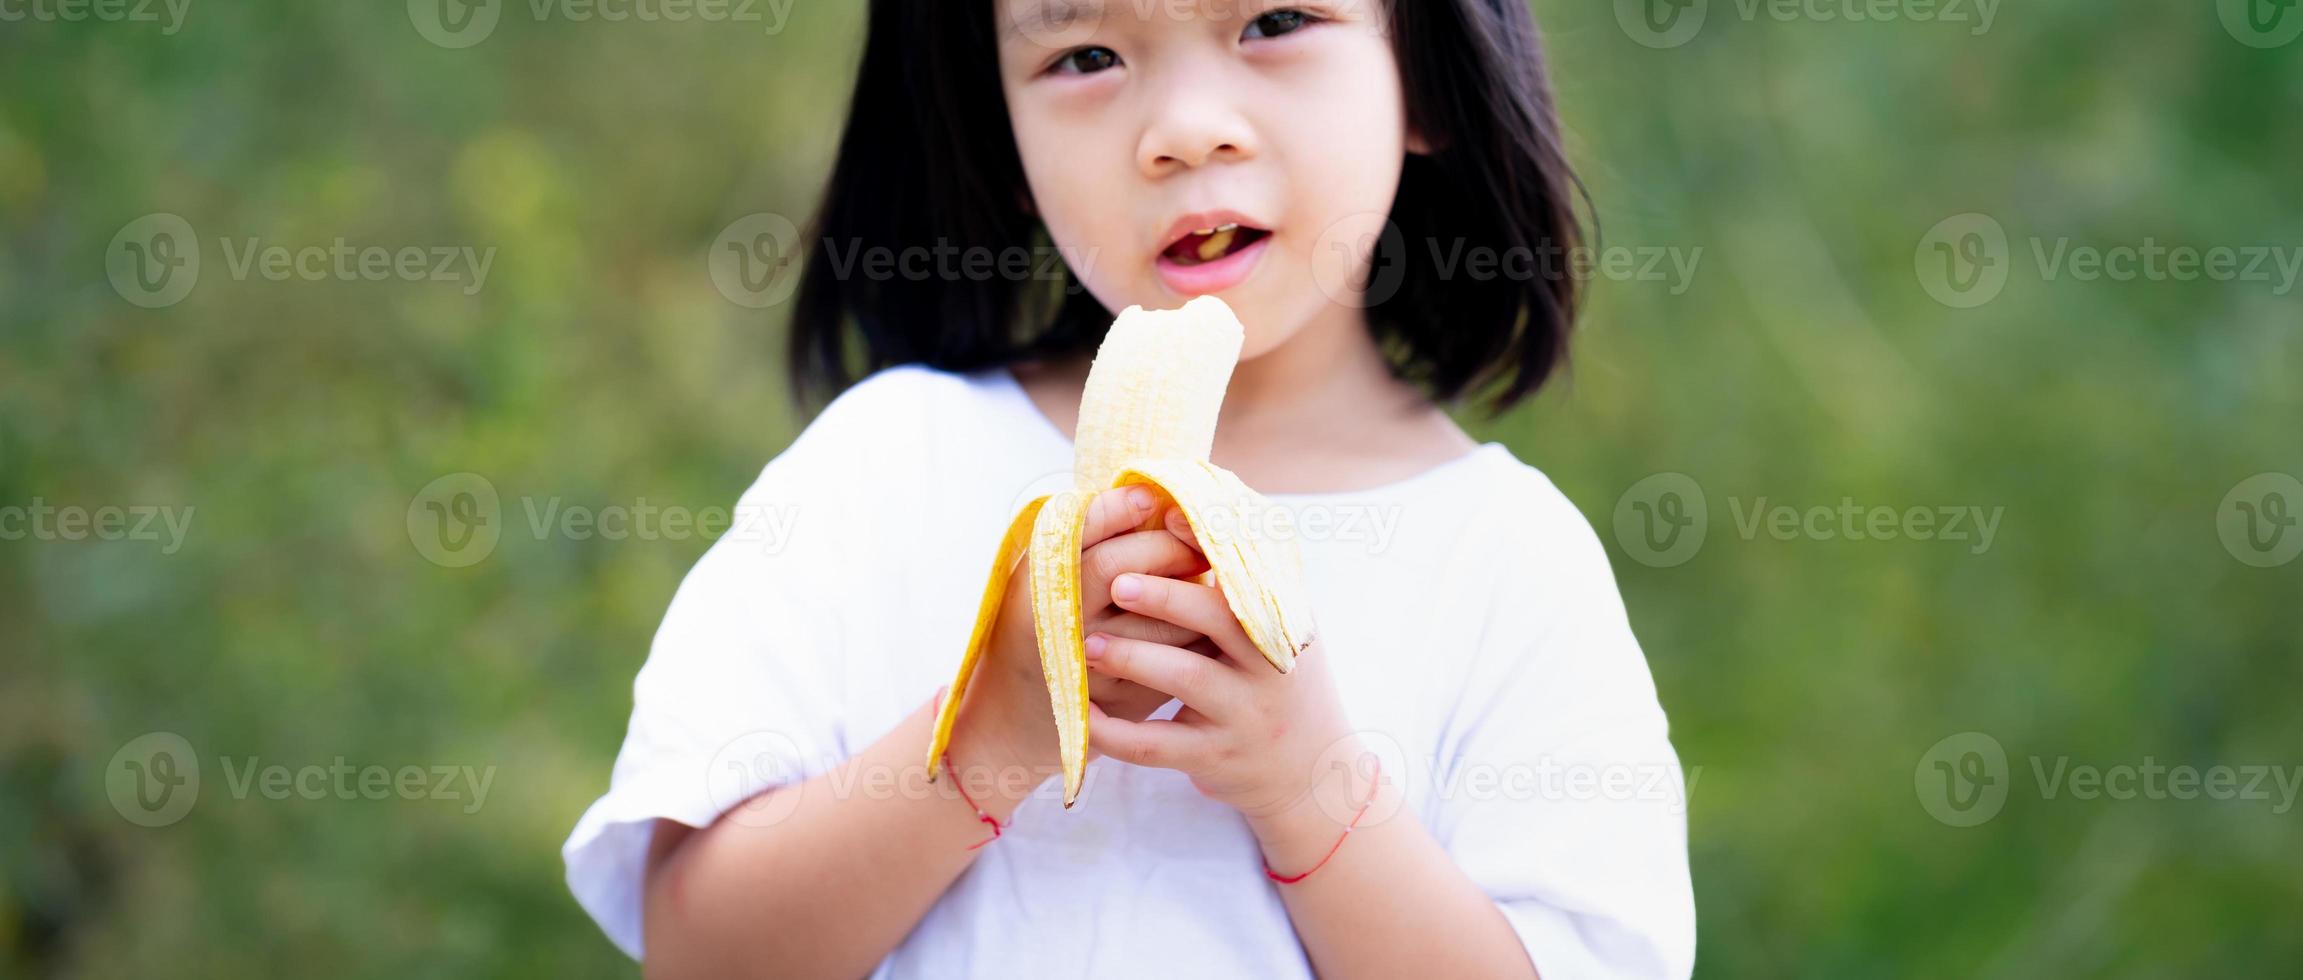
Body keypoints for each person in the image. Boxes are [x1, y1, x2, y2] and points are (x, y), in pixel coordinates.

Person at [564, 1, 1695, 976]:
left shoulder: (1504, 558)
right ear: (991, 127)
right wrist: (991, 727)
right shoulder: (885, 469)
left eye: (1274, 22)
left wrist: (1310, 789)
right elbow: (697, 949)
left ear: (1428, 72)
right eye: (1084, 56)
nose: (1182, 130)